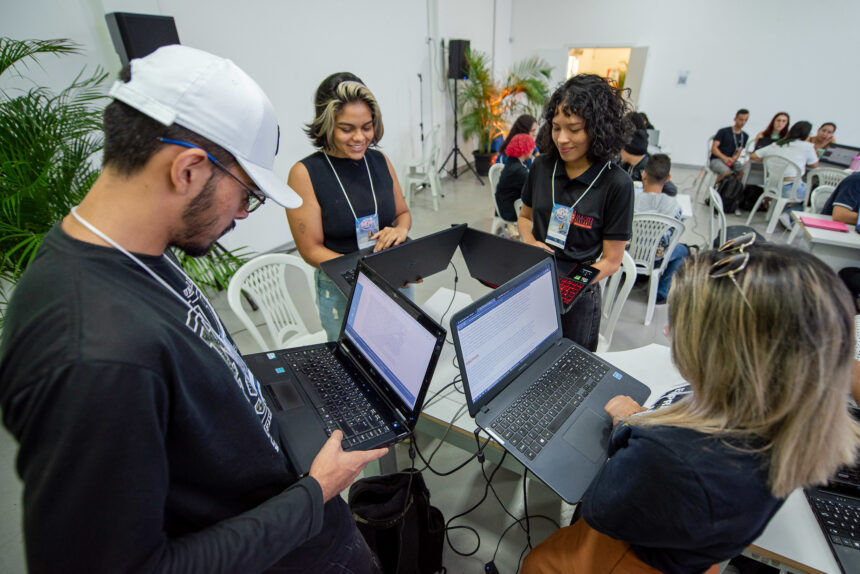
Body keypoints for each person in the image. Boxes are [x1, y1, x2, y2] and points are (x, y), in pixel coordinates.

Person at [0, 46, 388, 574]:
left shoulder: (136, 254)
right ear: (187, 170)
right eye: (246, 193)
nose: (244, 213)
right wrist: (314, 493)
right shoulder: (91, 354)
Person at [523, 240, 860, 574]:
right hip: (690, 553)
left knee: (535, 562)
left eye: (684, 327)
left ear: (729, 357)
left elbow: (598, 508)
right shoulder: (796, 423)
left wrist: (628, 427)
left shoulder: (672, 458)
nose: (668, 331)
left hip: (626, 558)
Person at [286, 73, 411, 341]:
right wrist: (365, 274)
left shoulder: (379, 160)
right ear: (326, 125)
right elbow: (310, 250)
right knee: (353, 370)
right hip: (343, 287)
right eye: (346, 129)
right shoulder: (304, 173)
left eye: (367, 127)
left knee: (401, 353)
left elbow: (402, 214)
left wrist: (400, 231)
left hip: (393, 277)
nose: (359, 137)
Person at [519, 74, 633, 351]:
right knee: (528, 358)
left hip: (580, 294)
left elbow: (612, 260)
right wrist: (532, 244)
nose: (562, 138)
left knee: (570, 370)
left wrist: (571, 286)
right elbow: (524, 218)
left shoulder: (616, 184)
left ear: (598, 129)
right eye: (556, 128)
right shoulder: (543, 166)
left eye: (574, 129)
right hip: (536, 279)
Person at [633, 154, 687, 304]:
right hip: (656, 258)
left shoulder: (631, 199)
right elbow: (671, 237)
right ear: (668, 177)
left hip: (627, 255)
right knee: (683, 250)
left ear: (643, 174)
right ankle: (661, 292)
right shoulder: (674, 206)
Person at [751, 120, 819, 229]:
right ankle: (788, 214)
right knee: (814, 194)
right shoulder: (807, 146)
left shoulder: (777, 144)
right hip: (789, 188)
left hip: (770, 185)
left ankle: (784, 212)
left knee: (800, 189)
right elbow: (815, 165)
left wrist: (769, 160)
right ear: (806, 134)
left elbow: (753, 155)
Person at [619, 130, 678, 197]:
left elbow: (672, 190)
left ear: (629, 151)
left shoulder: (651, 166)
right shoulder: (626, 163)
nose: (620, 152)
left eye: (622, 149)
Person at [495, 132, 534, 221]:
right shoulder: (517, 170)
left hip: (507, 204)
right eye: (531, 146)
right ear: (525, 148)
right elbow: (534, 186)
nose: (533, 149)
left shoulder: (514, 162)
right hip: (511, 210)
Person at [710, 109, 750, 184]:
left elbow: (739, 151)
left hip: (731, 161)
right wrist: (724, 158)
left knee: (743, 173)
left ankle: (731, 190)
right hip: (717, 159)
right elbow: (714, 149)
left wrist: (733, 159)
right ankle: (716, 191)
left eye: (745, 120)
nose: (743, 122)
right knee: (727, 173)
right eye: (741, 119)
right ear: (735, 119)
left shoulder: (744, 136)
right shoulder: (723, 131)